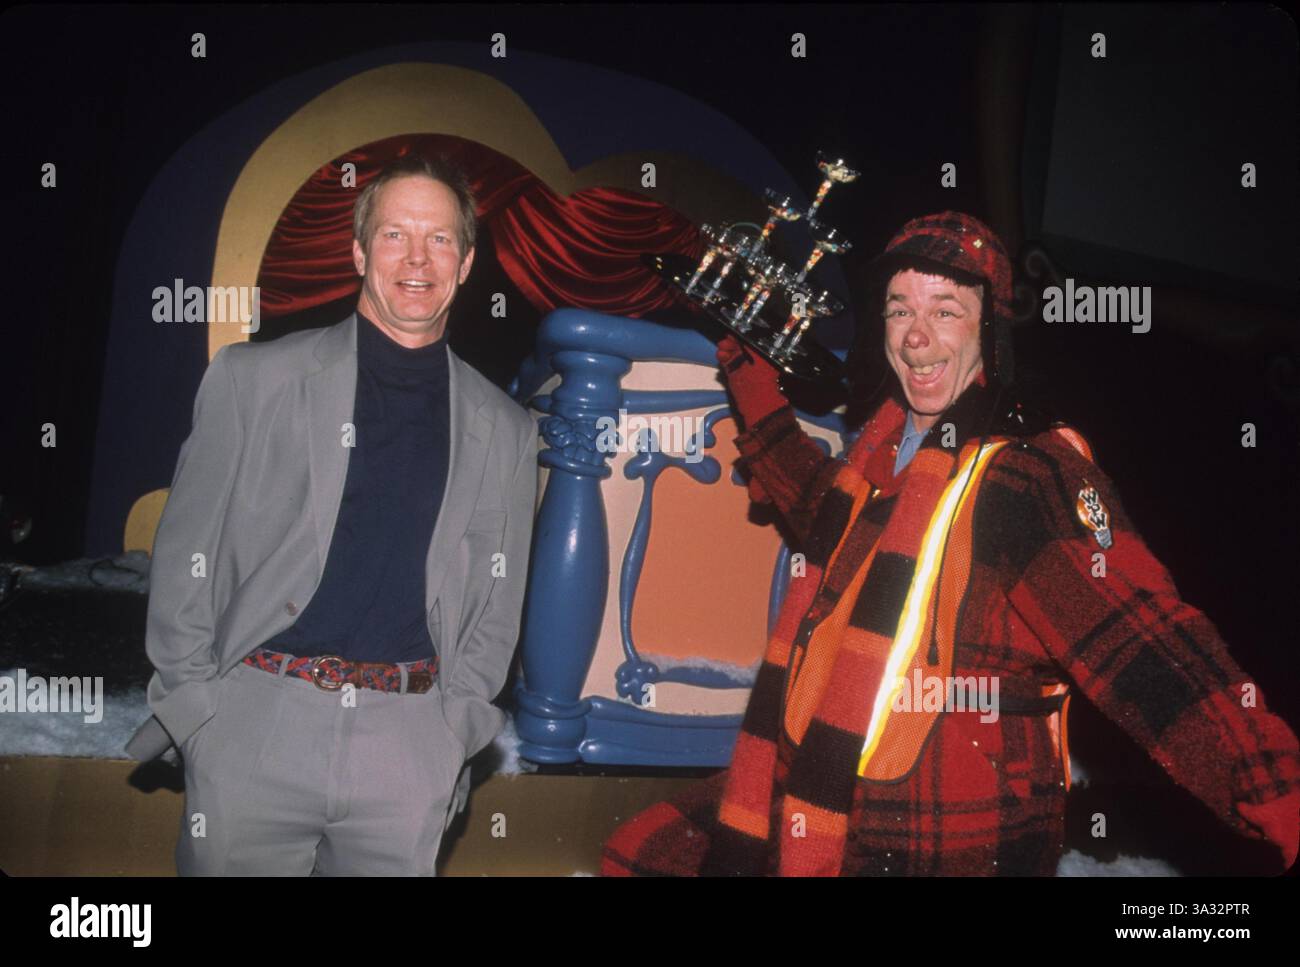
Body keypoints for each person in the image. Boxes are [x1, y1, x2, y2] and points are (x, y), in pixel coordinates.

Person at [602, 211, 1298, 876]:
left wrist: (1277, 792)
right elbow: (821, 513)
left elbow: (1147, 647)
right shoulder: (876, 460)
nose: (915, 335)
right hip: (820, 786)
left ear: (988, 330)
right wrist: (754, 387)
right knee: (646, 846)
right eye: (900, 308)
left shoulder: (1024, 474)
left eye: (945, 309)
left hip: (941, 831)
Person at [125, 154, 539, 875]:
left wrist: (452, 730)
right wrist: (200, 717)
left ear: (467, 262)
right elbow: (185, 557)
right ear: (357, 250)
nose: (417, 257)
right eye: (393, 235)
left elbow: (497, 609)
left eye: (440, 238)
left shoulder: (505, 428)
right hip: (254, 724)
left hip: (408, 748)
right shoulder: (251, 382)